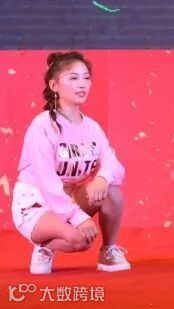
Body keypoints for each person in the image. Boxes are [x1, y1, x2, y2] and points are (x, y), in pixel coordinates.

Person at [12, 52, 130, 274]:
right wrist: (78, 218)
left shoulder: (92, 127)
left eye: (86, 78)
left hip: (69, 196)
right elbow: (46, 182)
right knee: (80, 240)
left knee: (111, 191)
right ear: (54, 85)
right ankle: (44, 246)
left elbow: (112, 163)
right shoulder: (42, 126)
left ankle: (108, 251)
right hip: (36, 202)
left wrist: (102, 178)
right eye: (73, 78)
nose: (82, 84)